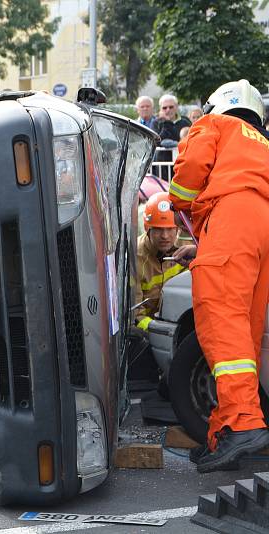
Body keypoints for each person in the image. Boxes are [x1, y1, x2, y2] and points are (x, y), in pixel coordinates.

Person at [170, 79, 269, 472]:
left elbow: (189, 172)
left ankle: (243, 423)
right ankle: (226, 431)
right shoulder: (262, 142)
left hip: (231, 220)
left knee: (221, 325)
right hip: (260, 229)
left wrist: (178, 200)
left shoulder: (214, 126)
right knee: (245, 331)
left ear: (217, 106)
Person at [134, 192, 185, 332]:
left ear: (178, 229)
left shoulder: (186, 251)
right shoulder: (135, 258)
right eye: (158, 229)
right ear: (147, 228)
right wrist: (159, 331)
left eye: (170, 229)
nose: (165, 236)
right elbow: (136, 313)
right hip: (146, 332)